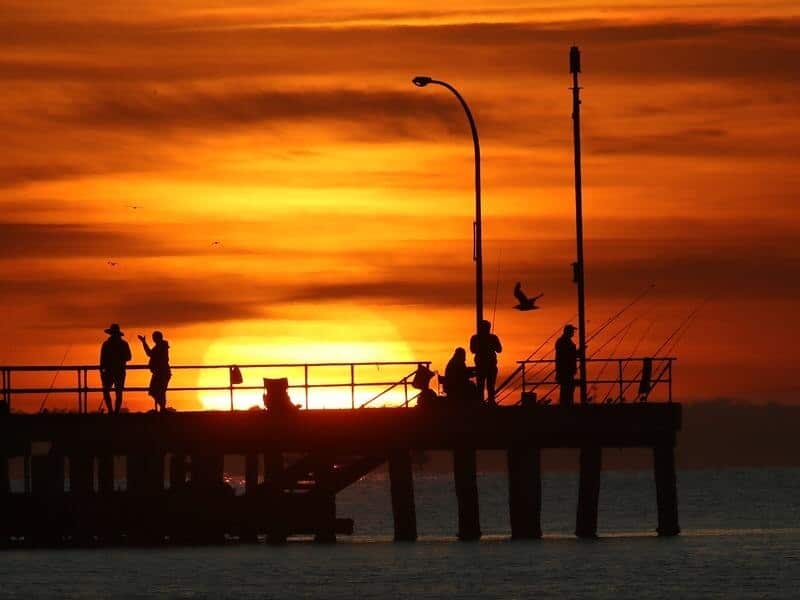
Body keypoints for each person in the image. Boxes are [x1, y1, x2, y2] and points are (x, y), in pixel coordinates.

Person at [99, 323, 132, 414]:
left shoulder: (106, 344)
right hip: (118, 371)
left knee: (109, 391)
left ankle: (113, 411)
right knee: (117, 392)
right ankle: (113, 411)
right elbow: (129, 357)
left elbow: (102, 359)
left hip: (111, 371)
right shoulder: (123, 344)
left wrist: (102, 370)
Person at [469, 320, 503, 405]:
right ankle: (490, 402)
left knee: (482, 385)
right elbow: (499, 350)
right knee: (490, 385)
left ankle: (482, 402)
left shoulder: (475, 338)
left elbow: (472, 350)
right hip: (489, 365)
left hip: (483, 365)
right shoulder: (492, 338)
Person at [138, 331, 171, 412]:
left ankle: (162, 408)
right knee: (159, 391)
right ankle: (162, 408)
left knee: (156, 391)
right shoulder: (162, 346)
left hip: (160, 373)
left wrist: (144, 342)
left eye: (154, 337)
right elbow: (151, 354)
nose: (153, 339)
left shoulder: (160, 347)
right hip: (161, 372)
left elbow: (149, 353)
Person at [555, 324, 578, 406]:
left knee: (567, 390)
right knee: (567, 390)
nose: (573, 333)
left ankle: (566, 405)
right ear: (567, 332)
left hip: (565, 370)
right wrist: (577, 352)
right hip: (565, 370)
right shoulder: (564, 341)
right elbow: (568, 354)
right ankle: (566, 407)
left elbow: (569, 354)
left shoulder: (562, 341)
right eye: (572, 331)